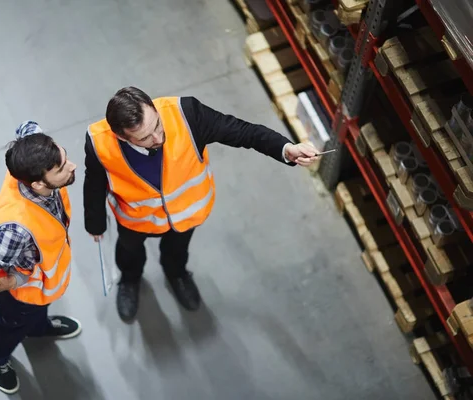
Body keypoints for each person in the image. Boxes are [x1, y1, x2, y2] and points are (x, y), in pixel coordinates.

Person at [83, 86, 318, 322]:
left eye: (157, 124)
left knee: (177, 251)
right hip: (135, 219)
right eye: (145, 137)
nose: (158, 137)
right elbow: (94, 184)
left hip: (186, 212)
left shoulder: (187, 115)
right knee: (129, 253)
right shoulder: (99, 144)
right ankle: (130, 281)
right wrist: (96, 225)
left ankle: (177, 274)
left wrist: (286, 149)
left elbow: (244, 132)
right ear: (122, 136)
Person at [0, 121, 81, 395]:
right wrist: (16, 280)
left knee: (38, 312)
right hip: (23, 296)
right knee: (10, 324)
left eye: (64, 157)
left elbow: (26, 126)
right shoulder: (16, 230)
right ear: (38, 183)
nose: (72, 166)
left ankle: (38, 328)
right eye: (62, 168)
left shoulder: (28, 164)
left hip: (45, 283)